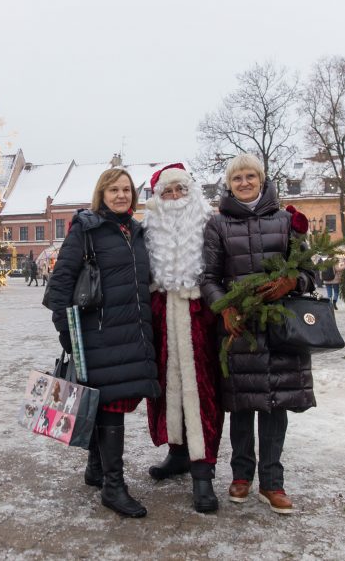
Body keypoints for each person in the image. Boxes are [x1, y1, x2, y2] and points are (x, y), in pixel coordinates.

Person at [201, 153, 318, 515]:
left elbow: (310, 274)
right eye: (238, 179)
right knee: (241, 404)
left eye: (251, 176)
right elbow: (208, 278)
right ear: (230, 184)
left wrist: (291, 281)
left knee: (275, 404)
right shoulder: (218, 226)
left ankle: (272, 482)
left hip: (281, 328)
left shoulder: (286, 222)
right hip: (241, 329)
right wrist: (225, 308)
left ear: (263, 179)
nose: (245, 183)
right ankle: (241, 475)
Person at [46, 167, 160, 519]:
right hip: (98, 335)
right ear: (102, 194)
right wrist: (68, 332)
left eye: (126, 189)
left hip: (131, 333)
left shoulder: (136, 231)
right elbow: (61, 283)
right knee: (110, 405)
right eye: (114, 190)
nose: (121, 195)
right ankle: (114, 487)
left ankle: (96, 468)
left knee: (103, 402)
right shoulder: (87, 229)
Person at [142, 163, 224, 513]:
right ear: (158, 199)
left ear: (192, 195)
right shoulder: (147, 230)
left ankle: (203, 472)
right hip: (161, 313)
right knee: (164, 387)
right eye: (168, 192)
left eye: (181, 190)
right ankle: (177, 453)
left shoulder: (210, 226)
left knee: (203, 393)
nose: (175, 197)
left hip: (200, 315)